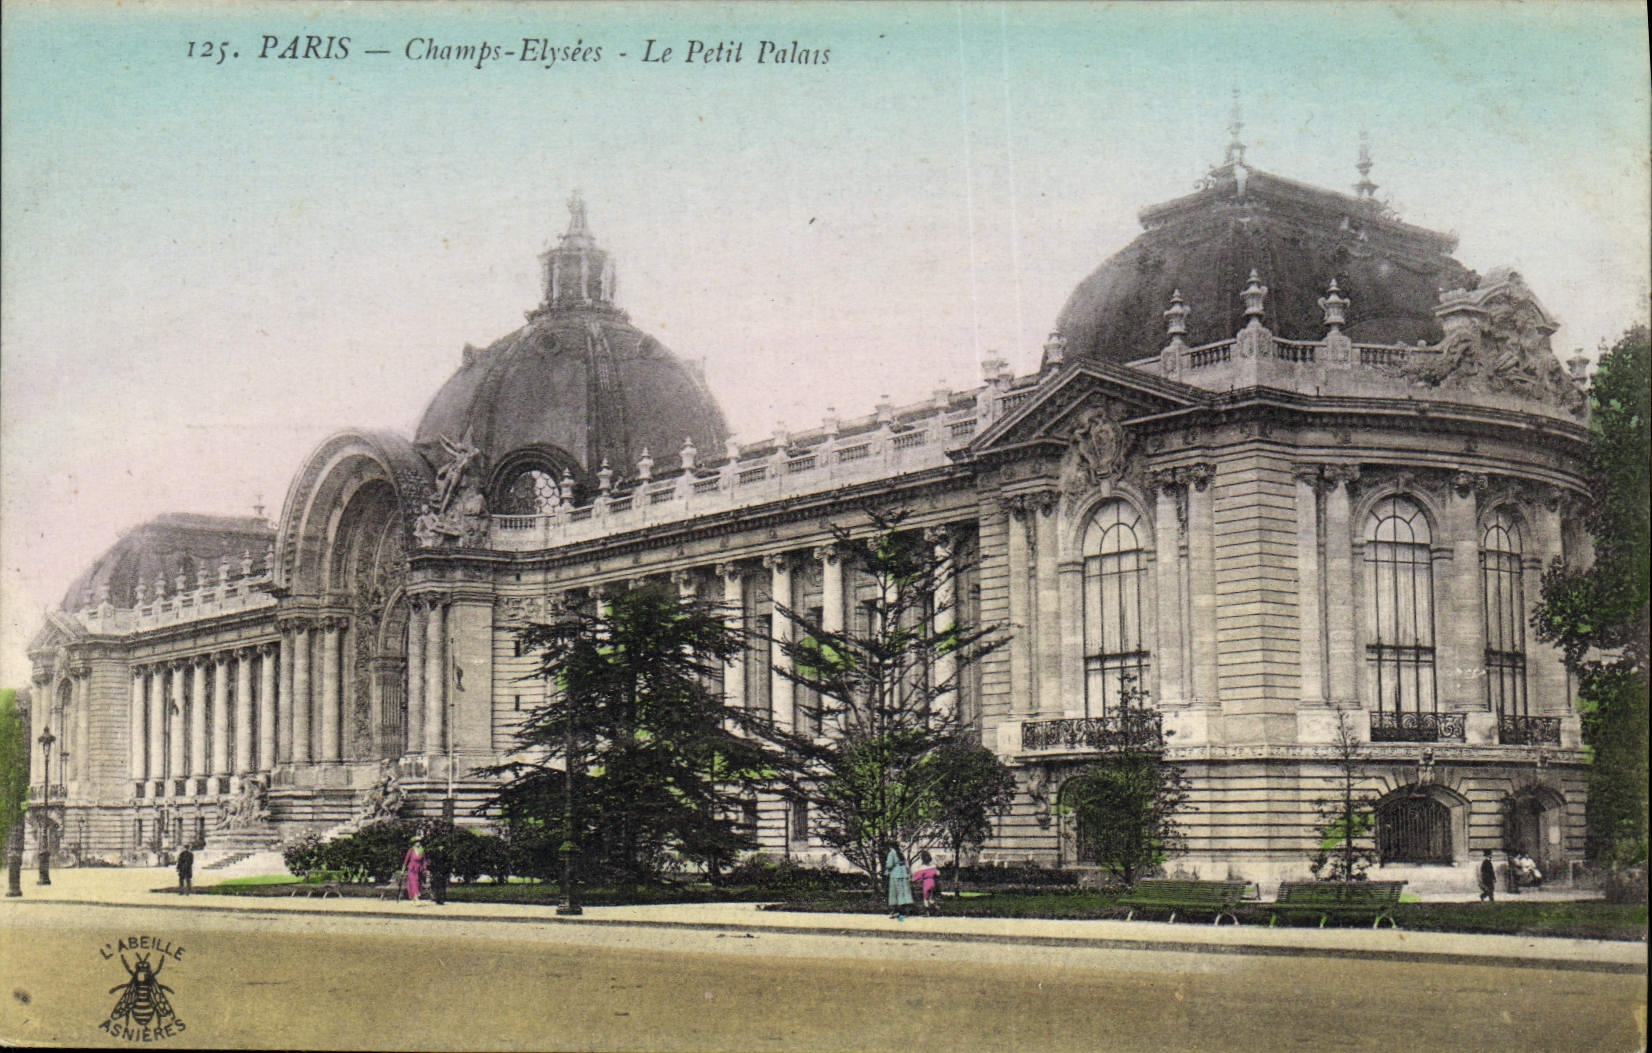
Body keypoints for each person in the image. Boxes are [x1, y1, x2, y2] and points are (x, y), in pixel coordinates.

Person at [885, 845, 913, 921]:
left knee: (895, 893)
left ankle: (896, 911)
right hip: (903, 873)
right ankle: (905, 911)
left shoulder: (891, 853)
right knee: (904, 892)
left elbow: (889, 864)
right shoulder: (901, 853)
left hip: (895, 874)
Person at [427, 834, 451, 907]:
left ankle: (442, 899)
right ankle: (438, 899)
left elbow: (448, 863)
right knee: (437, 885)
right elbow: (432, 863)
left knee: (442, 885)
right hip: (436, 871)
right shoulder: (435, 853)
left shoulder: (445, 853)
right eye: (440, 846)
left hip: (442, 871)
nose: (441, 847)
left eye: (442, 846)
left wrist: (446, 871)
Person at [403, 838, 428, 903]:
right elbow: (406, 860)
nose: (418, 843)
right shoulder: (411, 850)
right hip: (412, 868)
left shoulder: (422, 850)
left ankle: (414, 898)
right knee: (414, 882)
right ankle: (416, 898)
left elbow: (424, 861)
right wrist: (403, 870)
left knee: (418, 883)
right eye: (416, 842)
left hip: (419, 869)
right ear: (414, 843)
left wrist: (424, 868)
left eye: (419, 842)